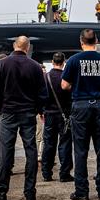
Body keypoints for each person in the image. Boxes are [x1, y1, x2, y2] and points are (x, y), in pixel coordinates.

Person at [61, 29, 100, 200]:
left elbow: (64, 85)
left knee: (80, 150)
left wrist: (77, 86)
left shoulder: (73, 60)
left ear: (81, 41)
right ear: (96, 41)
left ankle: (82, 191)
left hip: (80, 106)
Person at [0, 38, 48, 200]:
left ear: (14, 46)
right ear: (27, 48)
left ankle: (1, 193)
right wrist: (38, 109)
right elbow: (42, 93)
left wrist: (0, 108)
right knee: (31, 152)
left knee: (5, 153)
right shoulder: (35, 67)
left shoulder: (1, 65)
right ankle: (30, 193)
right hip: (28, 114)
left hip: (8, 113)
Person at [41, 52, 73, 182]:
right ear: (64, 62)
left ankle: (46, 173)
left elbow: (41, 96)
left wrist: (41, 111)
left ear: (52, 62)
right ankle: (64, 173)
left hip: (49, 114)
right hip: (65, 115)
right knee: (65, 144)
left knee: (49, 144)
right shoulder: (67, 77)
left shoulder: (45, 77)